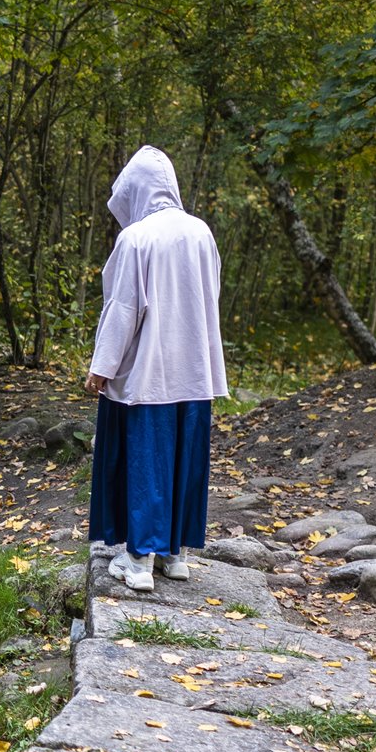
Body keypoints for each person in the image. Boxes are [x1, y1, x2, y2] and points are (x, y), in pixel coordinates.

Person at [84, 145, 227, 592]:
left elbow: (123, 308)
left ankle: (138, 562)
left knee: (145, 461)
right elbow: (210, 295)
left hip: (147, 374)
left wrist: (101, 367)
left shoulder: (137, 238)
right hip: (195, 371)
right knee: (184, 460)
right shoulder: (201, 233)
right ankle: (175, 555)